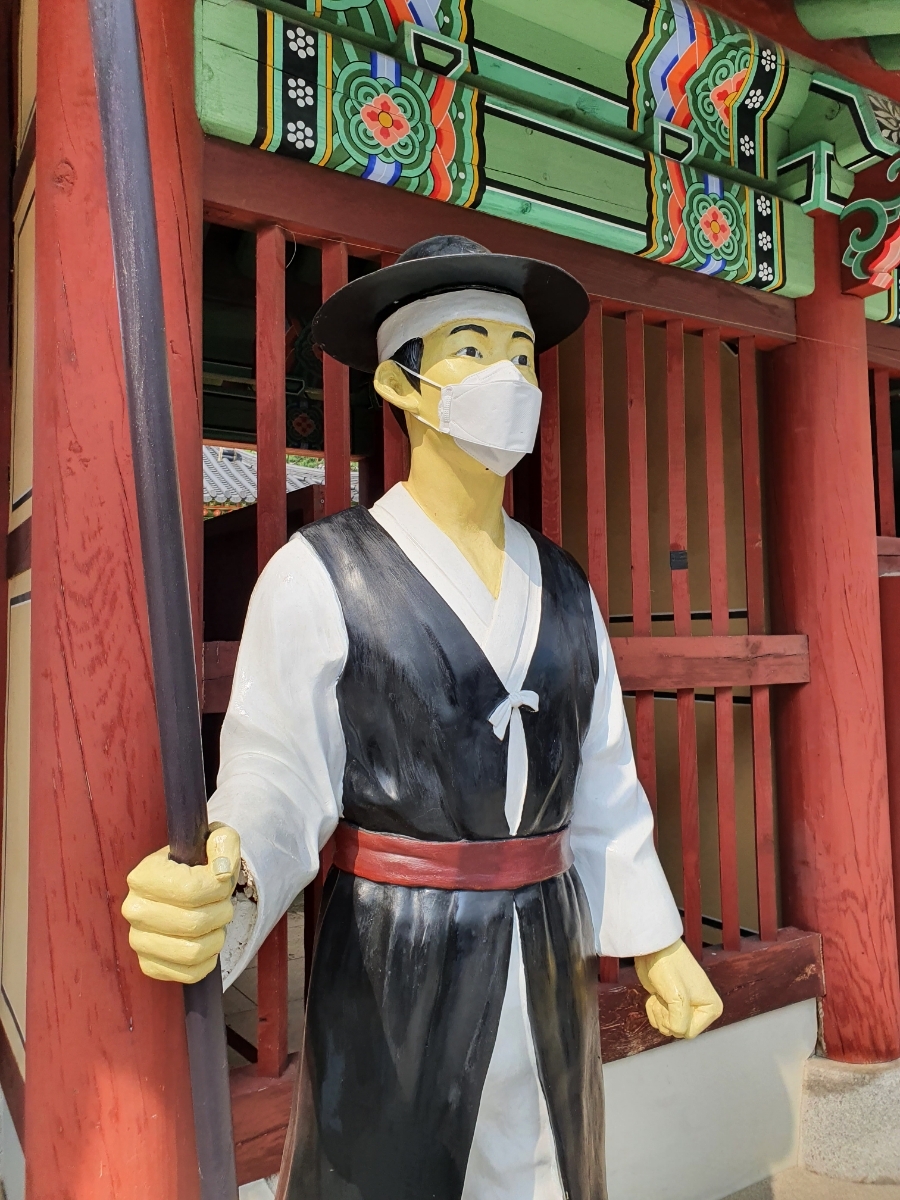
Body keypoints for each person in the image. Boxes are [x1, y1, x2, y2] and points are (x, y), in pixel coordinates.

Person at [122, 234, 723, 1200]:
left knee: (547, 1167)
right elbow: (280, 771)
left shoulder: (564, 584)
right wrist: (231, 869)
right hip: (395, 950)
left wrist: (656, 940)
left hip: (546, 937)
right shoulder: (322, 572)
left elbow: (603, 779)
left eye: (522, 356)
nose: (509, 379)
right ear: (399, 384)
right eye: (473, 350)